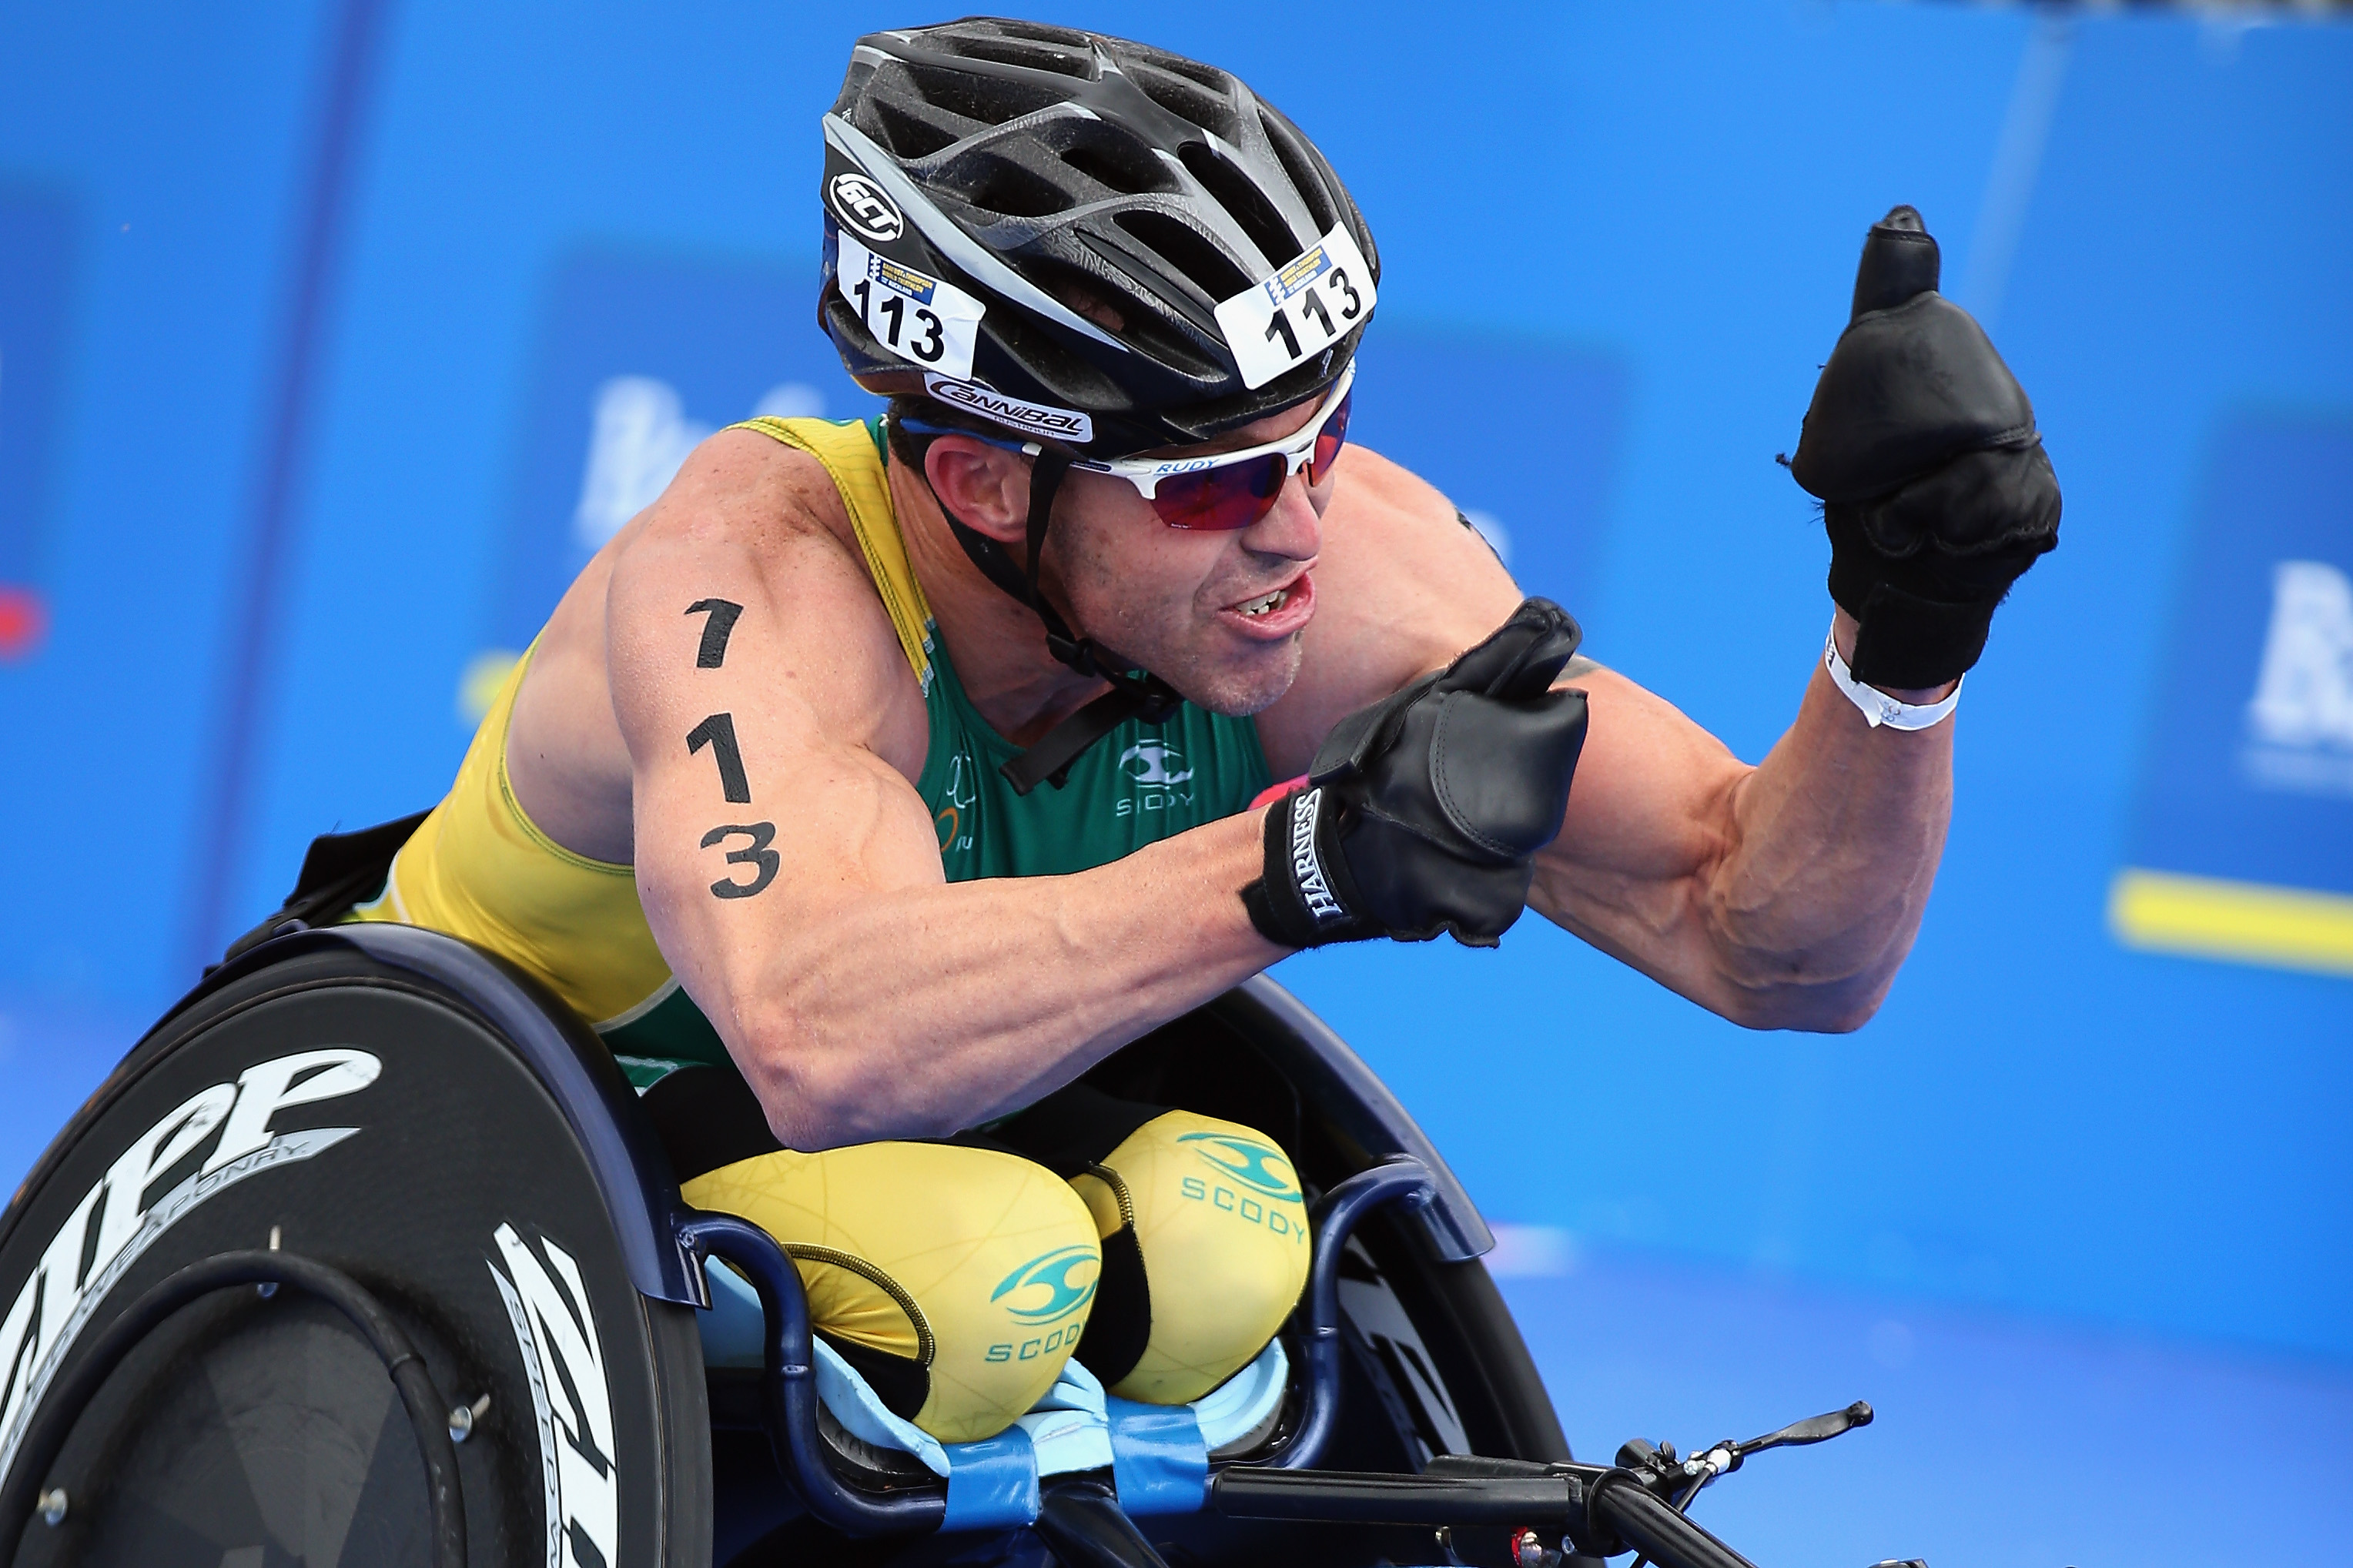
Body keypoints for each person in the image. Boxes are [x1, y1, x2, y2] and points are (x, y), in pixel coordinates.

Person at [350, 18, 2057, 1446]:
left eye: (1319, 444)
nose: (1301, 528)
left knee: (1223, 1235)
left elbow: (1774, 941)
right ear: (985, 479)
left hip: (843, 1201)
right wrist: (1292, 859)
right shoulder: (756, 578)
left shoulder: (1319, 582)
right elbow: (814, 1031)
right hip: (426, 1175)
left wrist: (1900, 649)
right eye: (1222, 478)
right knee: (984, 1265)